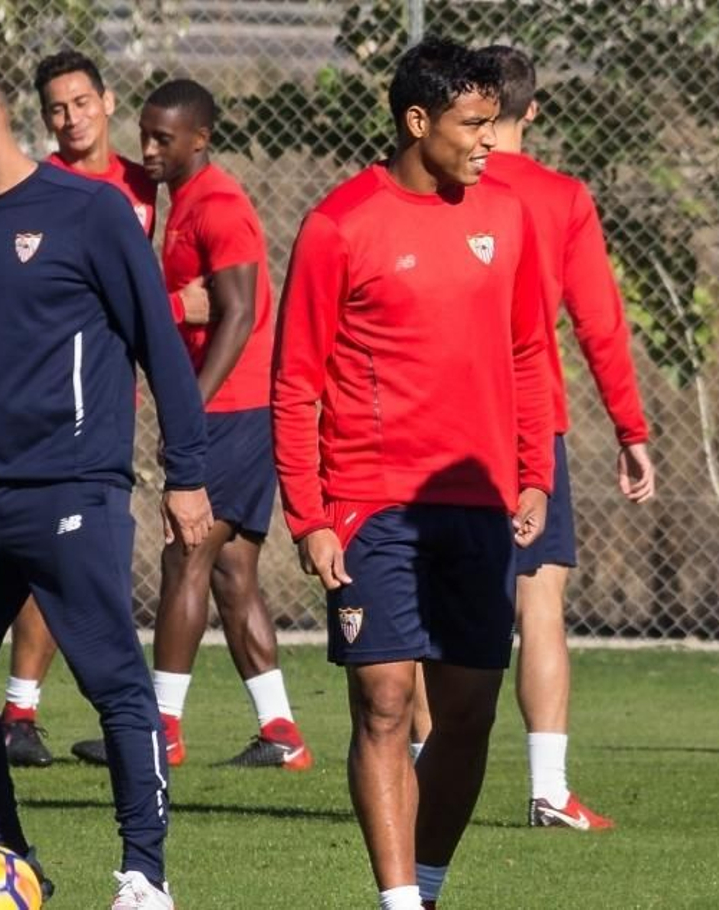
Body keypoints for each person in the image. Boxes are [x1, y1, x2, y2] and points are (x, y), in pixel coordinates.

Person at [0, 58, 210, 910]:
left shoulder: (92, 214)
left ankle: (145, 876)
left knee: (110, 676)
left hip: (73, 487)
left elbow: (159, 346)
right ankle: (2, 851)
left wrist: (187, 477)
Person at [272, 37, 552, 910]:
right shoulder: (340, 224)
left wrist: (535, 471)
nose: (488, 141)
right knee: (386, 704)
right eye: (473, 124)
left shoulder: (506, 215)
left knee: (468, 714)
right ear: (416, 120)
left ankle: (425, 887)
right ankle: (396, 902)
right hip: (370, 504)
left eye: (494, 123)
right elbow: (295, 382)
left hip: (477, 504)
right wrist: (310, 515)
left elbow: (532, 350)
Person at [404, 44, 655, 830]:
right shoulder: (560, 196)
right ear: (534, 110)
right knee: (539, 604)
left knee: (418, 609)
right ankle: (548, 789)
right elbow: (599, 322)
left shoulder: (429, 184)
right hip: (526, 429)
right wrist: (630, 428)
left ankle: (418, 771)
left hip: (431, 432)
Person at [69, 78, 312, 771]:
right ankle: (282, 734)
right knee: (232, 572)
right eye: (143, 133)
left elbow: (239, 310)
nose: (147, 148)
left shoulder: (220, 205)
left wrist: (191, 408)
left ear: (199, 139)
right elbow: (196, 307)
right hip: (230, 410)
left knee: (186, 555)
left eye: (162, 138)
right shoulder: (184, 203)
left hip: (232, 410)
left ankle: (159, 733)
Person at [0, 49, 180, 770]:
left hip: (119, 397)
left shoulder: (145, 184)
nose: (71, 118)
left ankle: (135, 721)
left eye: (81, 102)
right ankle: (21, 711)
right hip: (51, 403)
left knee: (94, 555)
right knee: (52, 550)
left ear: (107, 102)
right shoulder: (40, 189)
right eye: (56, 109)